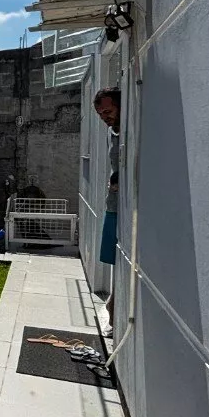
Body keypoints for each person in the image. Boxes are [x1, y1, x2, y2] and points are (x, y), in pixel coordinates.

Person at [92, 88, 122, 336]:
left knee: (121, 260)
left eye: (108, 111)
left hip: (122, 208)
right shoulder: (113, 133)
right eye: (101, 114)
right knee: (115, 259)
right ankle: (113, 309)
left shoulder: (130, 131)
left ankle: (113, 310)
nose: (105, 117)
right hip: (113, 206)